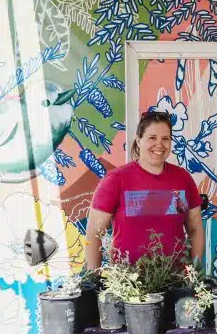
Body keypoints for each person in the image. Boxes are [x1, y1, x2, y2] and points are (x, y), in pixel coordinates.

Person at [85, 111, 205, 270]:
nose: (159, 144)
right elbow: (94, 233)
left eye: (165, 139)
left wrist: (195, 275)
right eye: (152, 138)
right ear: (139, 140)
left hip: (176, 282)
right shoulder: (115, 180)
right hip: (129, 285)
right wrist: (92, 281)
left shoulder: (182, 179)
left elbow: (195, 229)